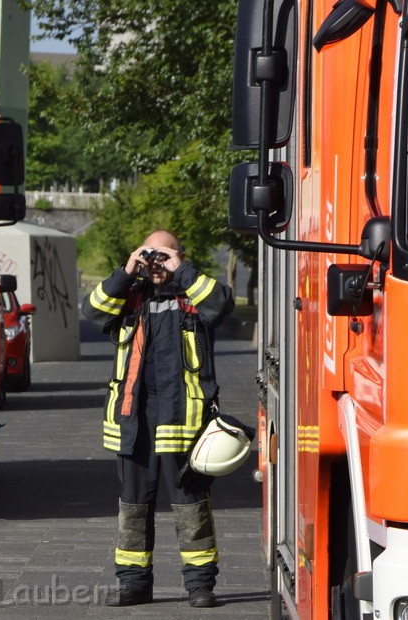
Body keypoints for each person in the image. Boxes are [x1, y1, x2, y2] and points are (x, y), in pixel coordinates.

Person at [82, 229, 234, 608]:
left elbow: (220, 306)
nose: (157, 265)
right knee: (133, 504)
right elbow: (92, 311)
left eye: (165, 256)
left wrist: (181, 269)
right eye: (151, 257)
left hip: (182, 417)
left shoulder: (194, 293)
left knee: (190, 503)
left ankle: (200, 586)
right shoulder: (129, 295)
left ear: (180, 256)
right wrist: (126, 269)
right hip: (134, 418)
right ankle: (134, 584)